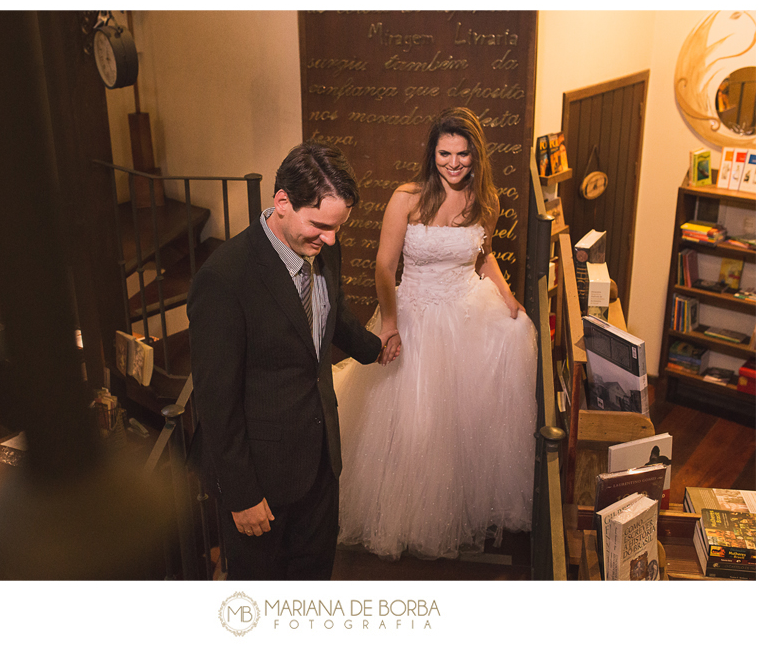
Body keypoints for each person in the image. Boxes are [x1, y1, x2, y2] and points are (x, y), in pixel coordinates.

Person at [187, 141, 399, 580]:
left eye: (338, 227)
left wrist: (374, 348)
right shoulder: (225, 279)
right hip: (262, 486)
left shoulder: (324, 247)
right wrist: (241, 495)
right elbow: (216, 403)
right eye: (320, 225)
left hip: (321, 468)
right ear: (282, 202)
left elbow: (330, 314)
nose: (331, 239)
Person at [333, 107, 538, 560]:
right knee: (419, 422)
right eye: (445, 153)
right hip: (417, 311)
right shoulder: (406, 198)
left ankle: (470, 503)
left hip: (467, 310)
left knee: (470, 418)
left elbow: (483, 256)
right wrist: (389, 322)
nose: (454, 163)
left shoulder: (487, 201)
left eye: (463, 154)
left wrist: (506, 297)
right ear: (433, 153)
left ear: (475, 155)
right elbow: (384, 267)